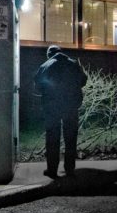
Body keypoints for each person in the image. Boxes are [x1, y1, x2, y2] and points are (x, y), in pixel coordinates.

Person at [34, 45, 87, 179]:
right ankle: (69, 169)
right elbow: (83, 80)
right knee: (70, 138)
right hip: (71, 105)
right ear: (60, 53)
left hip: (52, 107)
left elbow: (38, 87)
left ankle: (52, 170)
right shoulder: (73, 64)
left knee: (52, 138)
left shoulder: (45, 66)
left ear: (49, 54)